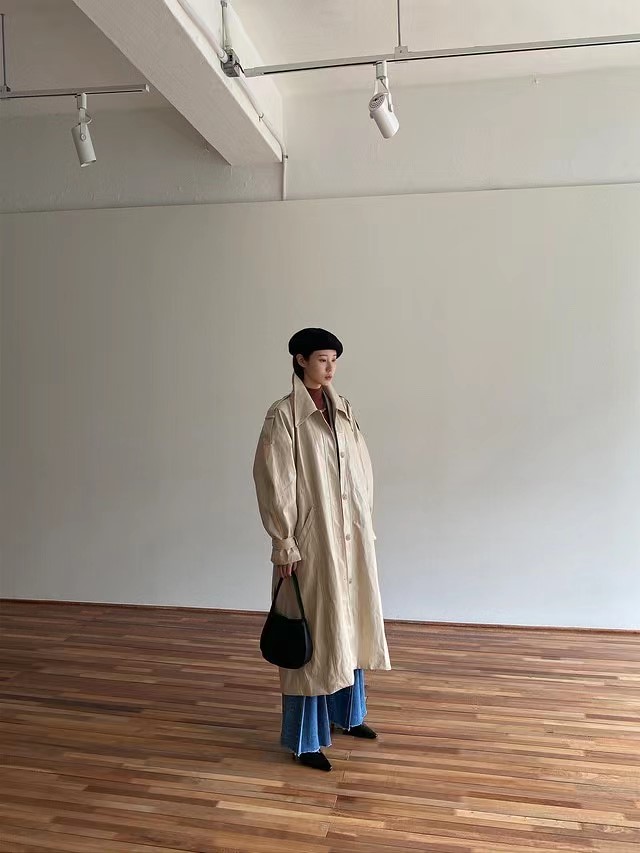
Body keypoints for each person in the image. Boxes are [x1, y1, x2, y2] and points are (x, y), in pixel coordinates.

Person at [253, 328, 390, 772]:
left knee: (348, 624)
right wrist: (285, 542)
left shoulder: (342, 409)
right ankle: (304, 739)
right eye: (322, 360)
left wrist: (364, 523)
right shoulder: (284, 416)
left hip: (349, 537)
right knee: (312, 638)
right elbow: (275, 480)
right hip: (312, 542)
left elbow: (362, 469)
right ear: (300, 360)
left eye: (334, 360)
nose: (330, 368)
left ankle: (348, 715)